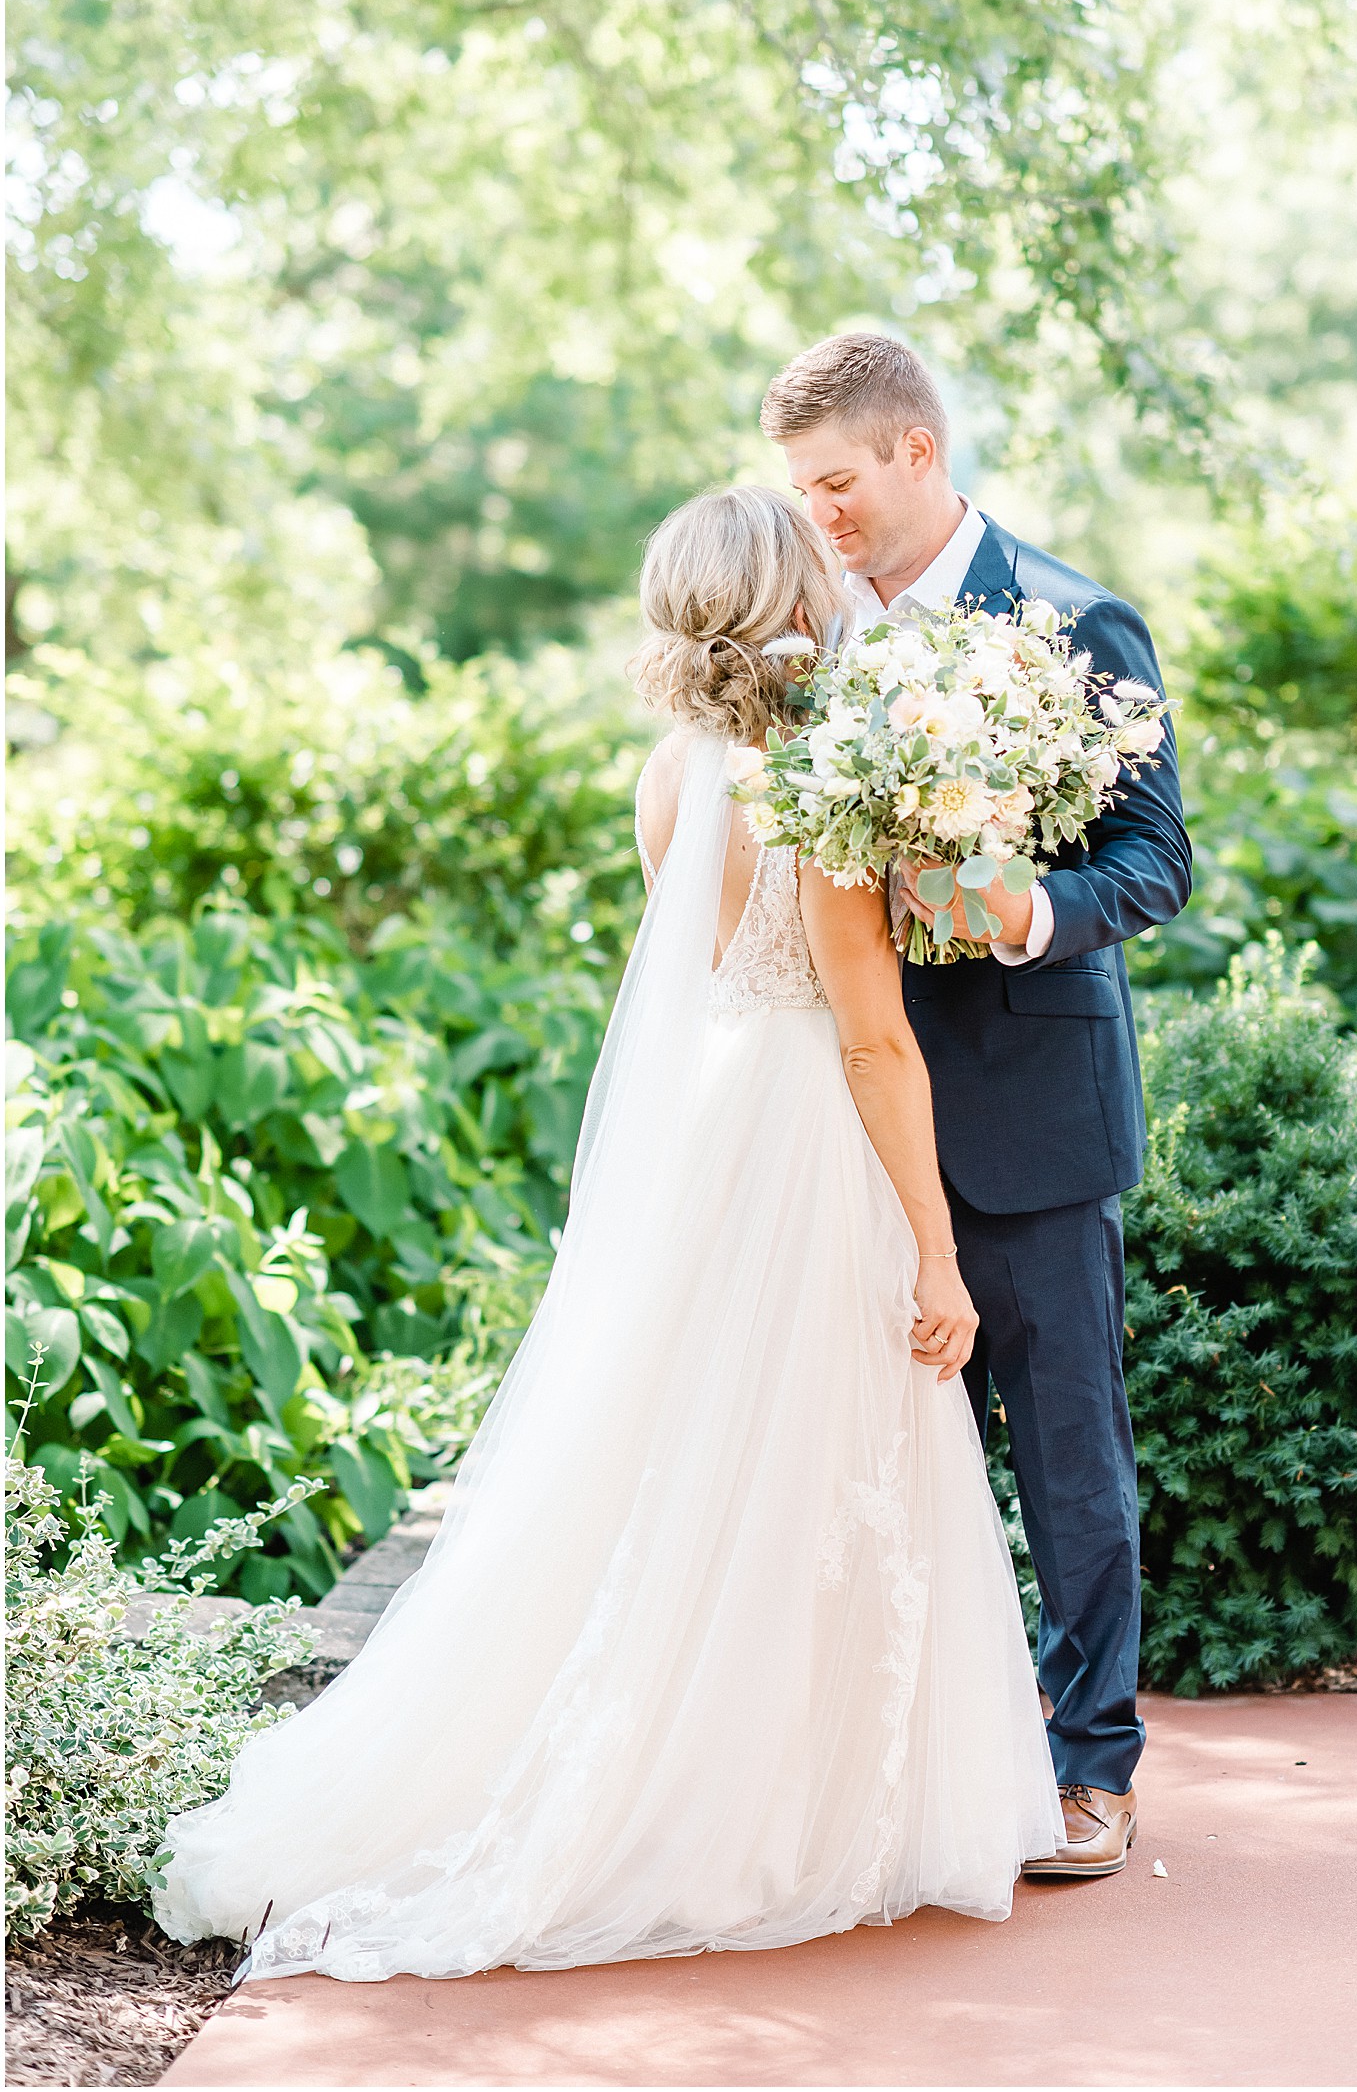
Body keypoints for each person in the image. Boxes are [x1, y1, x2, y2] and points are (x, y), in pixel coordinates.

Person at [154, 485, 1063, 1981]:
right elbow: (873, 1043)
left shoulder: (673, 770)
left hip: (702, 1137)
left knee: (687, 1455)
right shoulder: (819, 788)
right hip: (801, 1143)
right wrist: (937, 1247)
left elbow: (699, 962)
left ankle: (694, 1750)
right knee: (804, 1450)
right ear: (793, 599)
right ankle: (751, 1804)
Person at [762, 334, 1192, 1879]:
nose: (821, 518)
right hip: (837, 1122)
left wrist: (1023, 906)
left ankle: (1093, 1765)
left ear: (918, 452)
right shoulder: (803, 636)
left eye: (839, 484)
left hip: (1027, 1106)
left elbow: (1159, 862)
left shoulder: (1075, 622)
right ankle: (902, 1769)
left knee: (1068, 1450)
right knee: (865, 1453)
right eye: (799, 492)